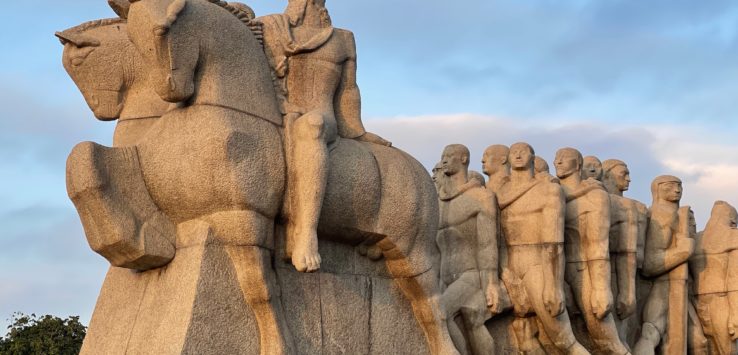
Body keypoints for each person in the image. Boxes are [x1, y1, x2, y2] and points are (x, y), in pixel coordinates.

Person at [258, 0, 391, 272]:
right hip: (276, 113)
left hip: (320, 117)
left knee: (311, 126)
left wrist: (357, 131)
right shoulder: (270, 26)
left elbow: (349, 90)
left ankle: (306, 232)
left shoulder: (343, 39)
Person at [497, 142, 589, 354]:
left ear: (533, 157)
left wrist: (553, 285)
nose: (518, 154)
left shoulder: (549, 191)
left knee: (563, 339)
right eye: (513, 152)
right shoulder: (499, 193)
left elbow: (554, 243)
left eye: (524, 151)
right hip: (506, 267)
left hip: (536, 266)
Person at [555, 148, 629, 354]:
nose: (558, 162)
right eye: (556, 159)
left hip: (583, 271)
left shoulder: (594, 196)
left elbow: (598, 244)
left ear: (577, 164)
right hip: (555, 273)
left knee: (605, 337)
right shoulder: (551, 192)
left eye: (564, 159)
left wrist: (600, 288)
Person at [436, 144, 502, 355]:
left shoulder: (481, 197)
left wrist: (491, 284)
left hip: (470, 274)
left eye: (450, 156)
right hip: (443, 275)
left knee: (440, 312)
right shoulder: (439, 202)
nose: (444, 160)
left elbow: (487, 243)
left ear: (463, 159)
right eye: (442, 156)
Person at [634, 176, 695, 354]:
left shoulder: (676, 214)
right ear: (658, 189)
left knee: (698, 342)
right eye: (671, 186)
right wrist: (682, 252)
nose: (677, 190)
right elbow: (650, 263)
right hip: (662, 287)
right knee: (651, 335)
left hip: (679, 287)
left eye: (679, 186)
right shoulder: (661, 214)